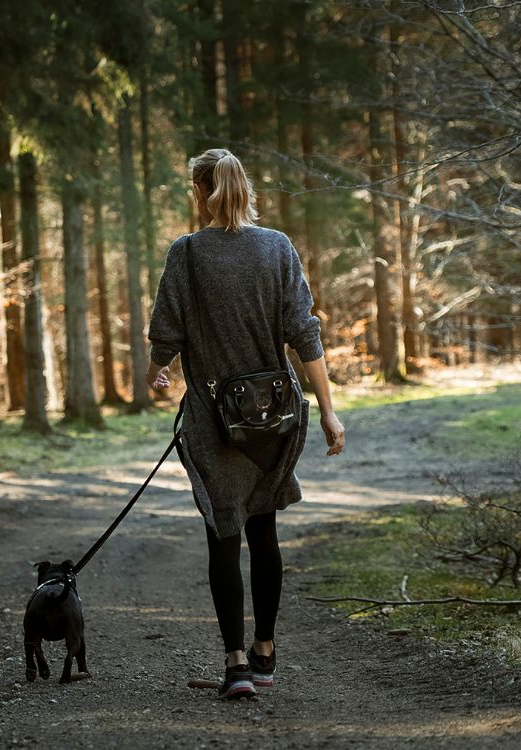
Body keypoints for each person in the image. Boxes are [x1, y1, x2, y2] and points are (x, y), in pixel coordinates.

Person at [145, 147, 346, 700]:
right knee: (265, 532)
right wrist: (327, 408)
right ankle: (264, 652)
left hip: (214, 418)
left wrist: (156, 373)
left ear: (199, 191)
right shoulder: (277, 248)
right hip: (276, 415)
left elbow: (167, 332)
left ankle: (234, 663)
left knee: (222, 534)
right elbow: (304, 332)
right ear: (243, 188)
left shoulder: (185, 255)